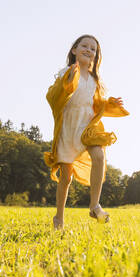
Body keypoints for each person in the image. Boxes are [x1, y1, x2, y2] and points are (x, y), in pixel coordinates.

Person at [44, 34, 129, 230]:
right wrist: (67, 80)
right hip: (68, 128)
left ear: (95, 56)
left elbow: (96, 105)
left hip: (87, 127)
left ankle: (94, 205)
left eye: (93, 49)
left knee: (99, 155)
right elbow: (55, 95)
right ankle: (59, 218)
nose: (88, 50)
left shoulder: (95, 80)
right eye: (85, 46)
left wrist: (110, 104)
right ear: (74, 50)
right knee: (66, 177)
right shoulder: (66, 72)